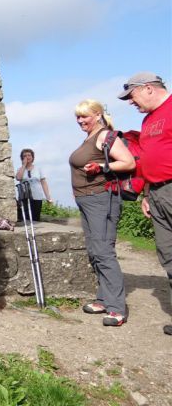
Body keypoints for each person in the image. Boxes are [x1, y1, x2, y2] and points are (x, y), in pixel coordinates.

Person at [68, 99, 135, 327]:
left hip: (101, 199)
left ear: (97, 115)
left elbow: (128, 162)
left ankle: (117, 309)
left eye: (84, 116)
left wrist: (102, 167)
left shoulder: (104, 136)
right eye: (77, 117)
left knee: (104, 251)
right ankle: (104, 299)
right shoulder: (90, 137)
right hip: (87, 200)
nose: (80, 121)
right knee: (95, 250)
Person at [117, 72, 172, 336]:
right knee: (167, 253)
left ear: (148, 88)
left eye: (132, 95)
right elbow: (151, 158)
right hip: (157, 193)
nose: (130, 102)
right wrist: (147, 194)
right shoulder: (149, 119)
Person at [15, 148, 52, 221]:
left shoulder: (38, 168)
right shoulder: (20, 169)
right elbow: (18, 178)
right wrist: (24, 165)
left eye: (29, 155)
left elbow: (44, 183)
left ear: (32, 157)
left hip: (37, 197)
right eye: (25, 156)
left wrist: (48, 197)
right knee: (25, 218)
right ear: (22, 158)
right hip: (24, 197)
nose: (27, 157)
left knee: (35, 218)